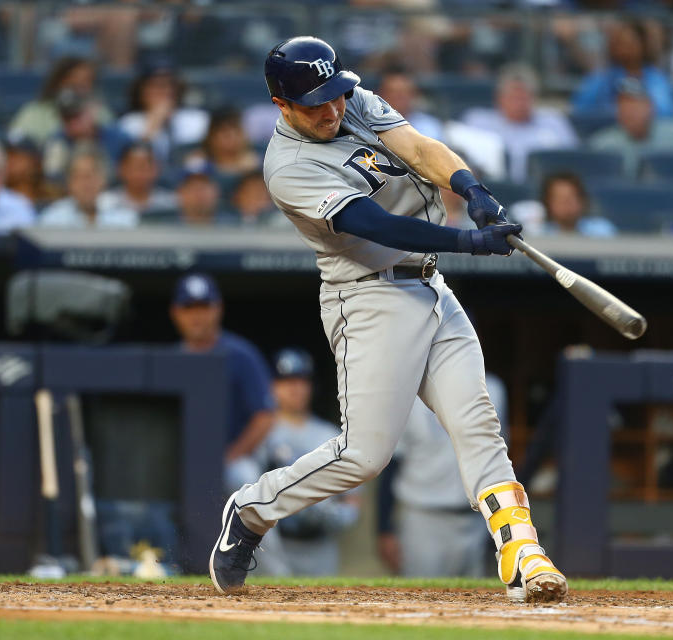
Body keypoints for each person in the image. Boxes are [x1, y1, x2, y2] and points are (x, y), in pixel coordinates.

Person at [210, 36, 567, 604]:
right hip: (368, 299)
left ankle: (523, 554)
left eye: (333, 96)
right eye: (314, 104)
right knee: (363, 456)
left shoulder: (347, 100)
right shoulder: (287, 167)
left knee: (478, 424)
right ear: (282, 105)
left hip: (429, 287)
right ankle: (252, 509)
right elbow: (377, 225)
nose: (331, 111)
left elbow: (420, 149)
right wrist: (469, 241)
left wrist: (472, 189)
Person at [377, 372, 509, 578]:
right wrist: (384, 528)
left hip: (475, 519)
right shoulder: (408, 389)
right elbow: (392, 464)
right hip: (424, 519)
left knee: (474, 602)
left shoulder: (494, 388)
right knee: (420, 601)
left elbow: (498, 461)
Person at [169, 273, 275, 494]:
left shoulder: (241, 355)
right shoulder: (170, 360)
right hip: (178, 461)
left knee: (247, 480)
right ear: (176, 313)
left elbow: (264, 416)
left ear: (218, 308)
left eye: (204, 307)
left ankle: (264, 530)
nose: (197, 316)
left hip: (232, 460)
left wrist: (231, 456)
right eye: (189, 308)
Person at [261, 348, 360, 576]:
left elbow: (352, 500)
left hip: (320, 545)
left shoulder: (330, 434)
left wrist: (338, 515)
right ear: (271, 386)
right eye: (286, 381)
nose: (295, 388)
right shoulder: (261, 432)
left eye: (301, 381)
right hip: (272, 543)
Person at [461, 64, 578, 183]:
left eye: (524, 97)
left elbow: (571, 162)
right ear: (499, 98)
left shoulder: (554, 123)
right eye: (514, 97)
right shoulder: (477, 121)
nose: (520, 103)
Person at [573, 20, 673, 118]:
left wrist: (636, 114)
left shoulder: (656, 79)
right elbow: (580, 109)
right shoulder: (601, 78)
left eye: (630, 44)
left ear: (643, 45)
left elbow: (666, 113)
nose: (625, 49)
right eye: (619, 43)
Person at [589, 77, 673, 175]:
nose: (629, 112)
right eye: (623, 106)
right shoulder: (602, 145)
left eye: (635, 105)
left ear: (651, 107)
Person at [8, 57, 113, 148]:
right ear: (58, 82)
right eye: (74, 81)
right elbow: (16, 144)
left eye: (86, 81)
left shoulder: (101, 113)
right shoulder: (33, 113)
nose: (80, 87)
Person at [118, 63, 209, 167]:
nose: (164, 92)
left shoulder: (199, 119)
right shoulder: (129, 123)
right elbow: (132, 165)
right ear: (141, 90)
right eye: (156, 86)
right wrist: (154, 124)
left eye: (169, 85)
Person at [41, 89, 130, 184]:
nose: (71, 124)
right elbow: (52, 179)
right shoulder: (57, 141)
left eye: (75, 116)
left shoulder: (118, 139)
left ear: (93, 111)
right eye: (66, 118)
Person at [39, 145, 137, 228]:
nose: (85, 184)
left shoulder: (123, 213)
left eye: (90, 176)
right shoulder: (53, 217)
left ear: (103, 179)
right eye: (78, 177)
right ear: (69, 183)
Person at [101, 141, 178, 217]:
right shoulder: (105, 203)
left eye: (144, 167)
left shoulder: (170, 204)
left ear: (156, 169)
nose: (139, 173)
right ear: (121, 168)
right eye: (134, 167)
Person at [530, 172, 617, 237]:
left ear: (582, 200)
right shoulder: (538, 234)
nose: (566, 203)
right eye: (560, 198)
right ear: (547, 203)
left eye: (571, 198)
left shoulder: (603, 230)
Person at [186, 107, 259, 178]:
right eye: (225, 132)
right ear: (211, 136)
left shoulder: (255, 165)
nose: (232, 137)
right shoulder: (198, 163)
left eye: (236, 131)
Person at [376, 68, 444, 141]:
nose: (398, 98)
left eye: (403, 93)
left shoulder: (429, 125)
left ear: (414, 95)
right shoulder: (366, 125)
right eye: (392, 92)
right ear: (380, 95)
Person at [171, 161, 232, 226]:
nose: (198, 192)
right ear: (180, 192)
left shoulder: (233, 226)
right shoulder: (165, 228)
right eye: (192, 186)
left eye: (204, 186)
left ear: (217, 191)